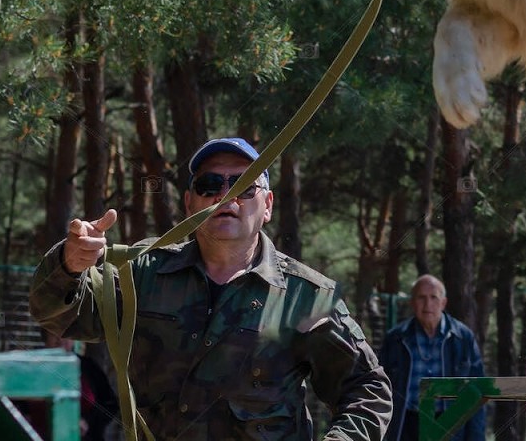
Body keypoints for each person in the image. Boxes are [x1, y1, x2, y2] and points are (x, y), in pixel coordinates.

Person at [29, 137, 392, 440]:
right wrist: (69, 263)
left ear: (267, 206)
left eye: (243, 186)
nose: (225, 195)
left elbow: (366, 389)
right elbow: (56, 314)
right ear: (190, 203)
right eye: (209, 184)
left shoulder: (305, 296)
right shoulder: (141, 274)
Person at [378, 275, 486, 441]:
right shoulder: (395, 339)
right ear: (412, 302)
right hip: (406, 425)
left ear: (443, 303)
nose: (428, 304)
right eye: (421, 297)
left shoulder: (463, 338)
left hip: (449, 424)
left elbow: (477, 393)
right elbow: (380, 389)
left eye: (434, 297)